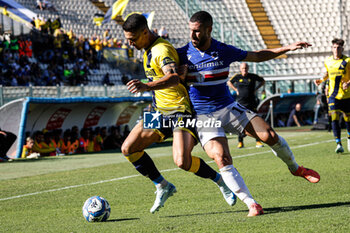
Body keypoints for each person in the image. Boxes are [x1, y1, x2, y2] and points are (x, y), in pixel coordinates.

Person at [177, 11, 320, 216]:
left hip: (227, 107)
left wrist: (287, 48)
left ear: (209, 30)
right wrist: (177, 76)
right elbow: (168, 77)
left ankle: (296, 168)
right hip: (203, 116)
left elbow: (257, 56)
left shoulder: (223, 50)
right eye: (190, 31)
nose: (192, 36)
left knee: (269, 135)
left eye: (197, 31)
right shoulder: (181, 54)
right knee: (222, 158)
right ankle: (251, 203)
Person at [122, 14, 236, 214]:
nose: (129, 43)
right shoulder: (147, 49)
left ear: (145, 32)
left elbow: (174, 78)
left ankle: (221, 181)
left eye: (132, 39)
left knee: (182, 161)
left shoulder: (161, 50)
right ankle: (162, 185)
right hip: (160, 112)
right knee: (128, 148)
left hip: (180, 111)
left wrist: (146, 86)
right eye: (127, 39)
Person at [314, 38, 350, 153]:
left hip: (346, 95)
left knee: (347, 119)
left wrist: (348, 83)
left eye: (338, 47)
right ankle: (338, 143)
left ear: (342, 48)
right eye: (334, 47)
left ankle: (349, 137)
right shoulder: (328, 61)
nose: (336, 50)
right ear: (331, 48)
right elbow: (328, 73)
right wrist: (321, 80)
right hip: (333, 95)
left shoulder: (348, 61)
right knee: (334, 117)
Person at [227, 62, 265, 148]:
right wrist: (235, 89)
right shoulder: (237, 77)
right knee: (240, 123)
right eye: (243, 68)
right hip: (240, 103)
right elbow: (229, 82)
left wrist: (256, 89)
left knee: (256, 122)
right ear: (240, 69)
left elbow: (262, 81)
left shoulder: (252, 76)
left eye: (246, 68)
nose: (245, 70)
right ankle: (240, 142)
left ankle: (258, 141)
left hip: (251, 103)